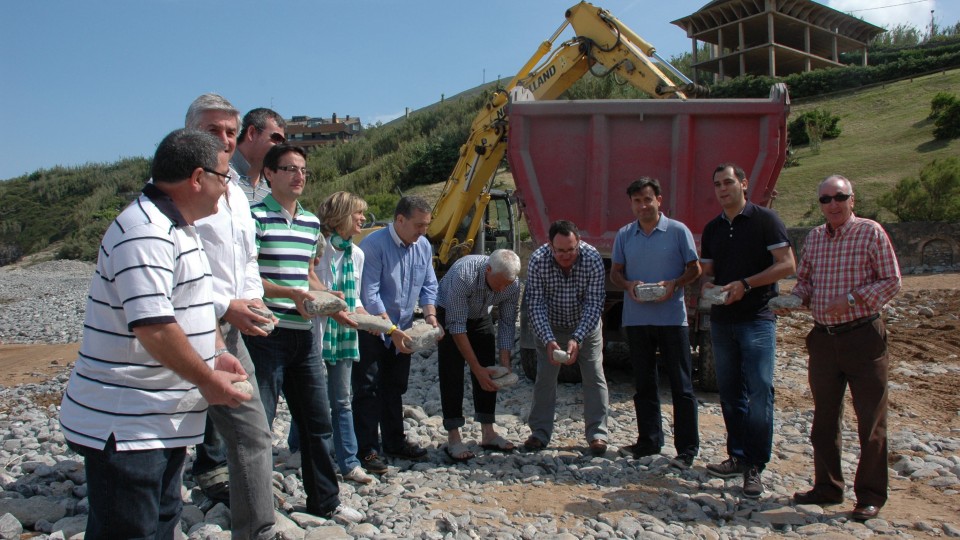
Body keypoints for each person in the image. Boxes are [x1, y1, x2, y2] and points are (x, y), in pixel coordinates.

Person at [59, 129, 251, 538]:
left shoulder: (179, 226)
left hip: (159, 421)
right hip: (127, 427)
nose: (227, 188)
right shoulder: (145, 231)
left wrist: (217, 352)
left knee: (161, 524)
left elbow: (194, 305)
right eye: (224, 177)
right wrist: (207, 379)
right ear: (197, 178)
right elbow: (155, 328)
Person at [245, 144, 362, 523]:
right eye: (290, 169)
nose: (299, 176)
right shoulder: (253, 217)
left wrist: (330, 300)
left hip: (305, 335)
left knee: (318, 421)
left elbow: (308, 274)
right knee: (259, 424)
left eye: (303, 170)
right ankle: (254, 507)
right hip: (265, 332)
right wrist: (290, 294)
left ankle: (325, 502)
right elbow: (246, 277)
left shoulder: (311, 223)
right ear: (269, 174)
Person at [779, 175, 901, 521]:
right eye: (825, 199)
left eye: (839, 197)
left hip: (863, 336)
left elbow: (892, 281)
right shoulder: (815, 238)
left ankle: (870, 496)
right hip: (823, 339)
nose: (832, 204)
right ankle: (828, 486)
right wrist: (794, 299)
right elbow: (805, 281)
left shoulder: (871, 232)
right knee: (824, 418)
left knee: (871, 420)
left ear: (852, 199)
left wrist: (850, 299)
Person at [186, 93, 278, 538]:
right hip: (177, 329)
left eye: (229, 131)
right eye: (212, 130)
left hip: (232, 329)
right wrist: (226, 305)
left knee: (253, 432)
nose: (224, 139)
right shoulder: (174, 191)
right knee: (164, 436)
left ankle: (257, 529)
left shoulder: (237, 195)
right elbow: (178, 268)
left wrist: (251, 300)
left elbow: (247, 259)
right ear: (189, 133)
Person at [700, 163, 796, 498]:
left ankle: (755, 465)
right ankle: (737, 456)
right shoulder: (712, 228)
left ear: (743, 184)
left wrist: (746, 284)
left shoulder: (765, 220)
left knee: (759, 392)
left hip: (756, 318)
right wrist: (707, 284)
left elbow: (787, 264)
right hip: (722, 320)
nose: (722, 189)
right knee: (729, 394)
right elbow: (708, 271)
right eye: (717, 184)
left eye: (728, 182)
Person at [609, 178, 701, 468]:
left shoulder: (678, 231)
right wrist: (628, 284)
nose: (643, 206)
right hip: (637, 320)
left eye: (647, 199)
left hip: (672, 320)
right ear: (631, 204)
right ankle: (648, 441)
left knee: (681, 385)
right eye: (637, 201)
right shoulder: (625, 234)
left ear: (659, 200)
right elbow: (615, 273)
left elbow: (695, 269)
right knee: (644, 383)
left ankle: (687, 449)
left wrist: (674, 283)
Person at [354, 195, 441, 473]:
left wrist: (430, 317)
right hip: (373, 329)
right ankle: (367, 449)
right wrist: (391, 331)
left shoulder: (423, 246)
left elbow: (429, 285)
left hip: (403, 329)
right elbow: (369, 294)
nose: (423, 231)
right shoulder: (373, 245)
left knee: (395, 387)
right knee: (367, 389)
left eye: (426, 225)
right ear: (400, 220)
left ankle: (394, 441)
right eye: (419, 225)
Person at [522, 220, 610, 456]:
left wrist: (577, 338)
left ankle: (598, 434)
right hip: (550, 325)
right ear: (550, 245)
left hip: (586, 325)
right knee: (545, 377)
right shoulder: (538, 260)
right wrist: (549, 340)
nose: (566, 255)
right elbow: (535, 305)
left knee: (594, 375)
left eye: (571, 249)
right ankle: (539, 433)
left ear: (578, 242)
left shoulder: (592, 258)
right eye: (560, 250)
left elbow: (594, 304)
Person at [313, 191, 376, 484]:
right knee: (311, 397)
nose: (362, 218)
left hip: (344, 335)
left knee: (341, 400)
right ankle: (300, 448)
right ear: (340, 217)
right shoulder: (318, 248)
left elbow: (356, 301)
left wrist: (373, 321)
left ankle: (349, 462)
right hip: (316, 333)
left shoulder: (357, 254)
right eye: (357, 213)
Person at [436, 250, 522, 461]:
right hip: (448, 313)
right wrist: (476, 369)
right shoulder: (464, 275)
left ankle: (488, 432)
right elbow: (457, 326)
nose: (503, 289)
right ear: (488, 270)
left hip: (481, 315)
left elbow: (507, 322)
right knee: (452, 372)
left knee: (489, 370)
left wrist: (504, 364)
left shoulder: (511, 284)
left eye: (507, 284)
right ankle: (453, 437)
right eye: (499, 284)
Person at [233, 107, 287, 203]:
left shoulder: (272, 186)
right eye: (276, 138)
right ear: (251, 133)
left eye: (282, 142)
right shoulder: (220, 172)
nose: (279, 147)